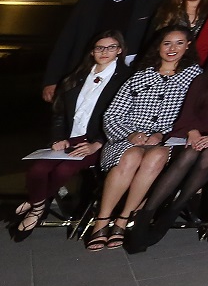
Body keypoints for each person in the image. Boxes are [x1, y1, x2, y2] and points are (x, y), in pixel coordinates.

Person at [124, 28, 208, 253]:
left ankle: (172, 211)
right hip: (193, 136)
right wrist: (193, 132)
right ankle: (146, 215)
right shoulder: (203, 76)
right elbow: (188, 113)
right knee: (189, 154)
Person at [88, 26, 199, 250]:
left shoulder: (194, 76)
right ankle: (101, 221)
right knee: (131, 157)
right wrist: (130, 134)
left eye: (179, 43)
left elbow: (194, 115)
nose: (172, 49)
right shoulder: (139, 75)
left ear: (187, 46)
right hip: (126, 139)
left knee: (155, 157)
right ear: (158, 46)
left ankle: (123, 220)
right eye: (167, 43)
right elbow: (112, 115)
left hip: (167, 140)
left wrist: (163, 134)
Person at [15, 31, 128, 240]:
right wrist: (58, 137)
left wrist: (98, 143)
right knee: (37, 170)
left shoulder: (125, 80)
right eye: (99, 48)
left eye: (111, 47)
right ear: (92, 51)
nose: (104, 52)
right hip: (69, 138)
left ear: (119, 50)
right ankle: (40, 203)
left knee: (64, 170)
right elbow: (59, 112)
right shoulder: (77, 76)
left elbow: (124, 117)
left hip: (97, 141)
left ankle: (35, 208)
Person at [43, 0, 162, 101]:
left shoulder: (151, 4)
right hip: (83, 73)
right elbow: (66, 40)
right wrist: (52, 80)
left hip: (125, 79)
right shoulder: (90, 1)